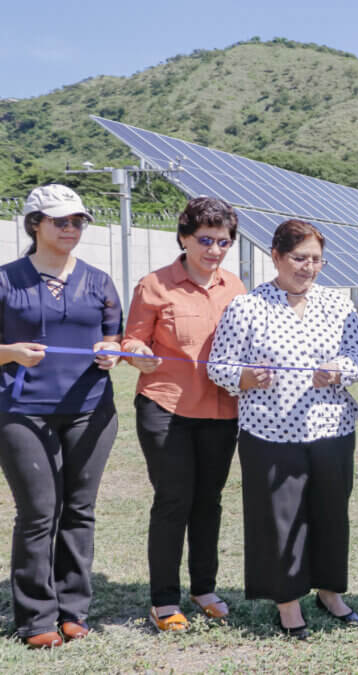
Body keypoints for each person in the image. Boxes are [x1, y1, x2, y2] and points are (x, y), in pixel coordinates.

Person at [207, 219, 358, 639]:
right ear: (275, 256)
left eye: (316, 260)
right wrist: (246, 377)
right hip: (270, 433)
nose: (309, 267)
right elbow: (219, 365)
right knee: (281, 519)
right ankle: (288, 602)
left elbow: (356, 357)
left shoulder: (339, 305)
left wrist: (339, 371)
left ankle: (330, 592)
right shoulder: (247, 307)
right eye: (299, 258)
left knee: (332, 514)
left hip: (332, 428)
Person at [0, 184, 122, 648]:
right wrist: (9, 352)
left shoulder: (98, 280)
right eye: (61, 221)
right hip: (21, 413)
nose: (72, 228)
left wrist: (112, 352)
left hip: (90, 411)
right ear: (35, 224)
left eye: (78, 221)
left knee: (79, 510)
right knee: (38, 513)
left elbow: (114, 335)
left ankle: (73, 609)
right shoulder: (6, 279)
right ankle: (35, 619)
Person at [121, 197, 247, 631]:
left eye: (224, 242)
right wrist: (138, 355)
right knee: (174, 500)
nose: (215, 250)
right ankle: (164, 600)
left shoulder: (236, 287)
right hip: (166, 406)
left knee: (208, 502)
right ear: (184, 237)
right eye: (205, 240)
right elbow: (132, 339)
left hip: (221, 410)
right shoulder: (154, 285)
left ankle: (204, 587)